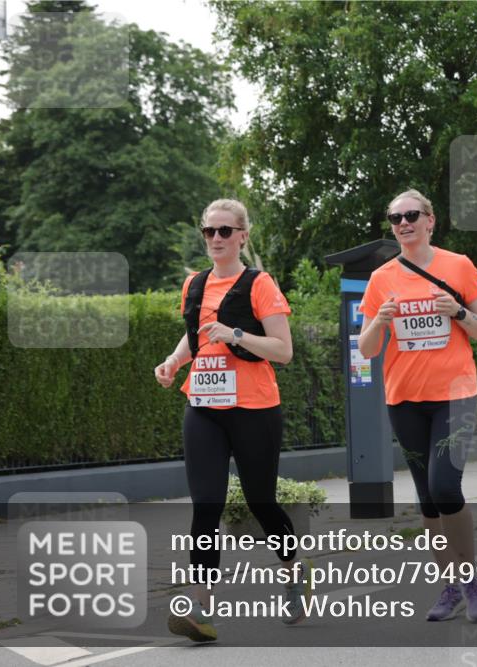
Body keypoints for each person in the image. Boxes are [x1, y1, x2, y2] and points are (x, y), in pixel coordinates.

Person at [154, 199, 311, 642]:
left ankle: (294, 570)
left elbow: (283, 350)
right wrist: (172, 362)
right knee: (206, 504)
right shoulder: (194, 285)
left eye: (226, 231)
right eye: (210, 232)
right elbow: (194, 338)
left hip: (254, 408)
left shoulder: (259, 284)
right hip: (203, 405)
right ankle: (200, 606)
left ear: (243, 235)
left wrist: (237, 334)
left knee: (261, 501)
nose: (217, 239)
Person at [359, 189, 477, 622]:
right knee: (427, 501)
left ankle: (472, 582)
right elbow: (365, 348)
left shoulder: (458, 266)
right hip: (403, 398)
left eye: (412, 215)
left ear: (430, 220)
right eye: (395, 217)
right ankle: (449, 587)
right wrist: (379, 320)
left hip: (454, 397)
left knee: (444, 487)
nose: (404, 223)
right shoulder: (382, 278)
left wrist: (457, 311)